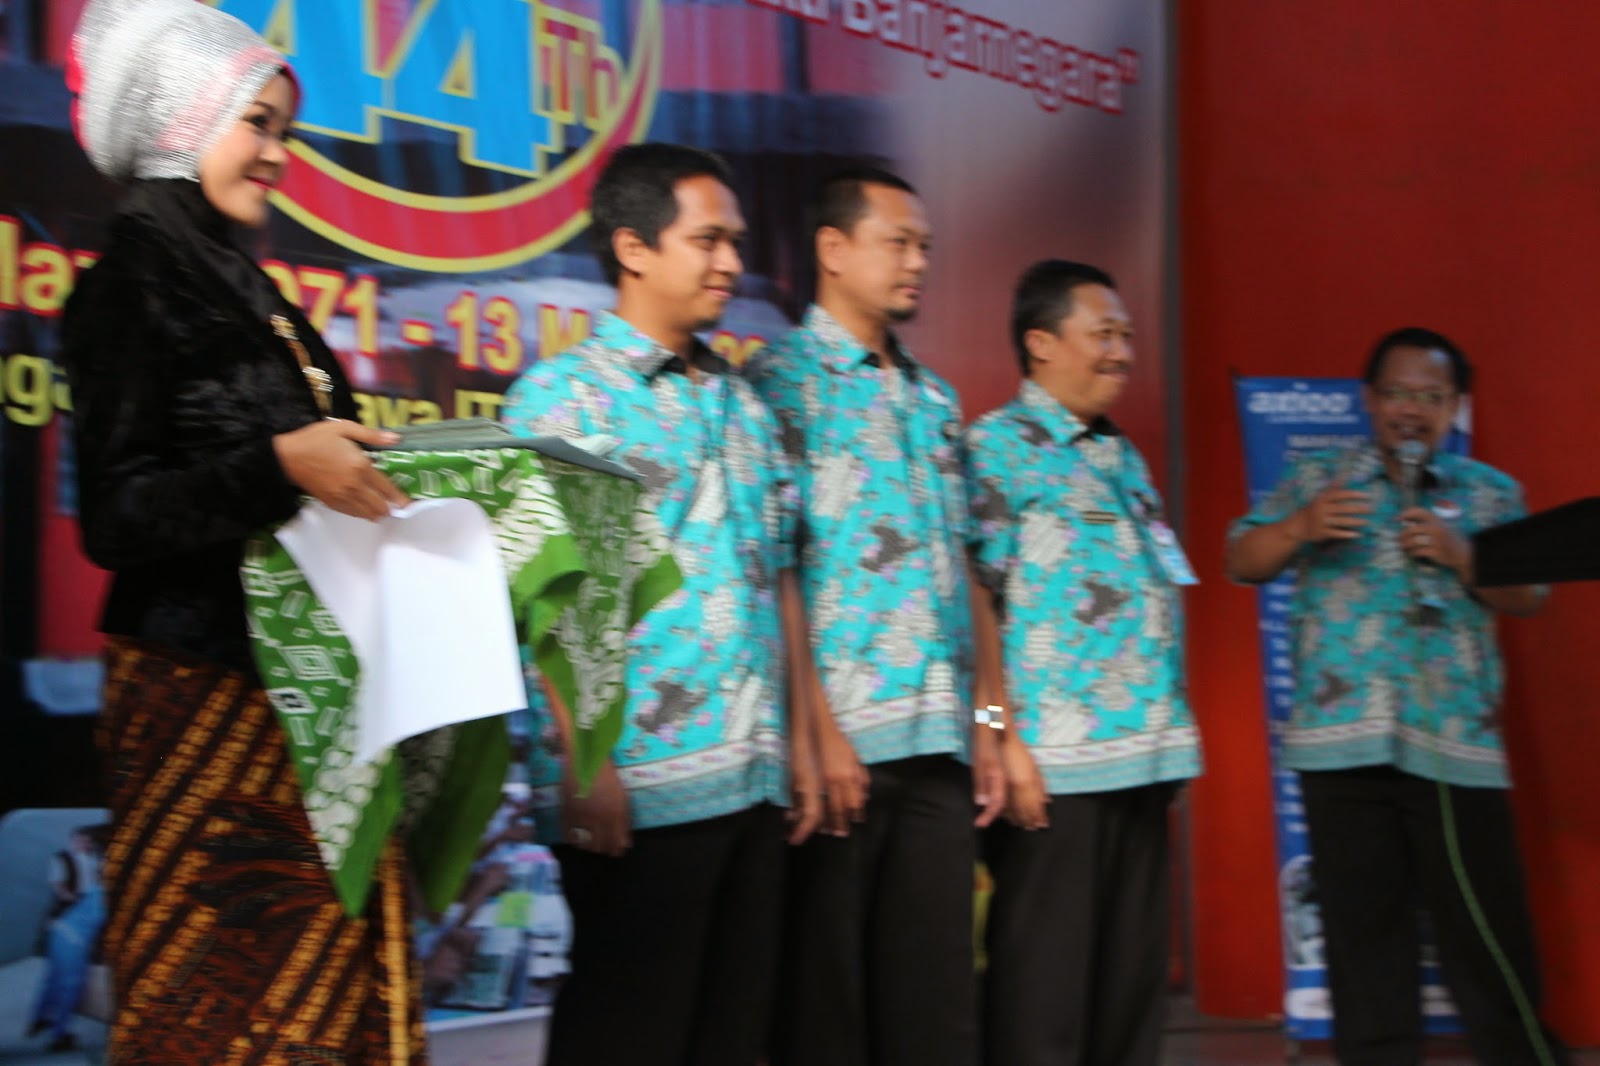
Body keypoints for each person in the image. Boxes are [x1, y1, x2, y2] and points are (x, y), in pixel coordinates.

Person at [58, 0, 419, 1061]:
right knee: (216, 1004)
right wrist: (278, 467)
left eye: (284, 132)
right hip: (198, 698)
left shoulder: (249, 290)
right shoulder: (127, 287)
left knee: (323, 1000)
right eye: (257, 124)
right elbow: (117, 517)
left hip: (310, 690)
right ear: (183, 114)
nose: (277, 156)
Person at [500, 142, 821, 1066]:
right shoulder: (563, 400)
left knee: (736, 1033)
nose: (731, 262)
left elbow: (779, 575)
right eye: (708, 240)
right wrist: (584, 758)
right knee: (629, 1030)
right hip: (640, 782)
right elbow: (541, 593)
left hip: (755, 773)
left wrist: (801, 741)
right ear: (633, 248)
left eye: (737, 242)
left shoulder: (747, 407)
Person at [1226, 327, 1568, 1066]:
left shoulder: (1488, 492)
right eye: (1398, 394)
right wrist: (1301, 526)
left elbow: (1531, 596)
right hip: (1340, 749)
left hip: (1455, 748)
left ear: (1454, 407)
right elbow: (1241, 559)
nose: (1412, 410)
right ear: (1370, 399)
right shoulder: (1318, 479)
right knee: (1364, 941)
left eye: (1431, 397)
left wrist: (1462, 555)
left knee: (1487, 932)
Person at [746, 167, 1005, 1066]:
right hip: (839, 751)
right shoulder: (774, 384)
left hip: (940, 747)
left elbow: (970, 570)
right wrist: (815, 731)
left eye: (925, 246)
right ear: (832, 248)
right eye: (898, 242)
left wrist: (991, 725)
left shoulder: (935, 400)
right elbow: (772, 570)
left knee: (935, 1009)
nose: (918, 262)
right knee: (828, 1013)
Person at [965, 260, 1202, 1066]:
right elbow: (973, 608)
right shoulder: (996, 448)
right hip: (1052, 772)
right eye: (1104, 334)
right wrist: (999, 738)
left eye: (1127, 336)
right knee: (1044, 1001)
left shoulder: (1121, 456)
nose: (1122, 353)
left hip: (1143, 761)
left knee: (1129, 999)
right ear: (1040, 343)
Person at [30, 825, 109, 1053]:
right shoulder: (105, 889)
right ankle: (59, 1036)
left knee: (54, 979)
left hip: (61, 931)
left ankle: (40, 1019)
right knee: (70, 986)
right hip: (74, 938)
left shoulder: (97, 884)